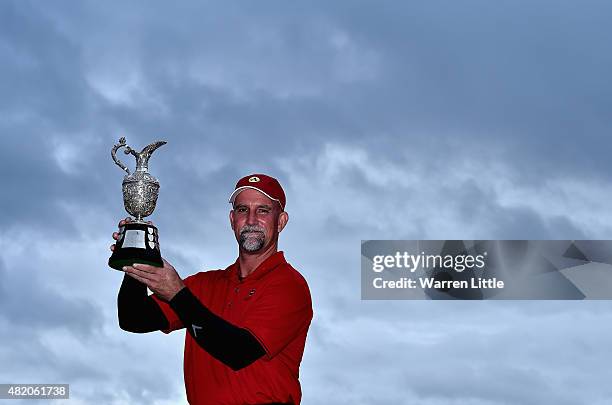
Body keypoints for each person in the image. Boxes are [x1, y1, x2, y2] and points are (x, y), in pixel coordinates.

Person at [112, 174, 313, 405]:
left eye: (263, 211)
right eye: (242, 210)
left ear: (281, 221)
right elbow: (134, 318)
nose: (251, 220)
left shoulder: (289, 285)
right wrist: (136, 257)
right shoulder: (204, 285)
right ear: (232, 219)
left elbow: (238, 352)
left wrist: (178, 295)